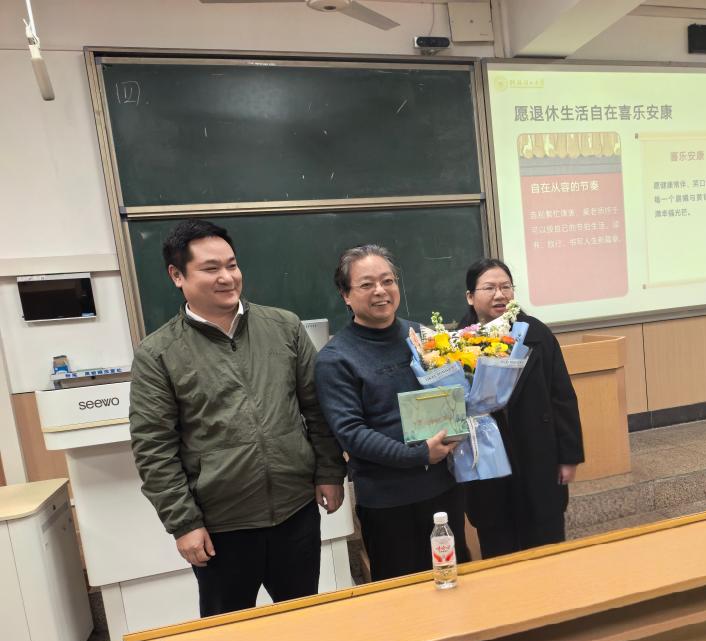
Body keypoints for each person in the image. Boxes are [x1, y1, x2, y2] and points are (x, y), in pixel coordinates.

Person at [129, 219, 346, 618]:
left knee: (304, 623)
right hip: (220, 528)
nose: (227, 277)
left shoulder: (283, 327)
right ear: (177, 275)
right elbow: (153, 448)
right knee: (229, 634)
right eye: (211, 268)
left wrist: (330, 471)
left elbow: (316, 409)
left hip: (295, 512)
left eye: (232, 265)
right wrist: (184, 523)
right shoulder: (158, 353)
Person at [315, 244, 470, 583]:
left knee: (454, 581)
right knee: (403, 594)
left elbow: (451, 396)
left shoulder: (424, 338)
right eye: (367, 284)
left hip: (443, 489)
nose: (381, 291)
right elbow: (352, 433)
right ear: (345, 294)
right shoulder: (336, 359)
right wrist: (418, 454)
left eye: (388, 280)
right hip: (388, 502)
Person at [459, 259, 584, 558]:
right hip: (487, 459)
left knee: (547, 545)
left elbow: (562, 397)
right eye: (489, 288)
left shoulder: (537, 333)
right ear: (470, 296)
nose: (499, 295)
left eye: (506, 287)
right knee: (498, 542)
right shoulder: (456, 343)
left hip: (537, 453)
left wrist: (568, 457)